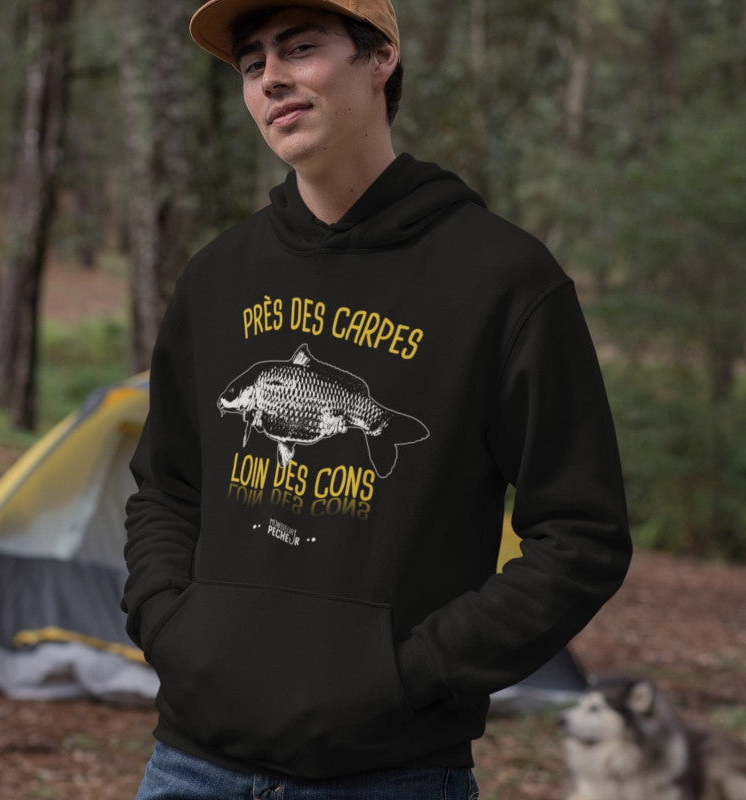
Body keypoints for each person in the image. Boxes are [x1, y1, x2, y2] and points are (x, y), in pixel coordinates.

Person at [122, 0, 632, 797]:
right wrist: (169, 625)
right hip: (191, 765)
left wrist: (411, 674)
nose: (273, 80)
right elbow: (168, 486)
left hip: (389, 775)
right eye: (253, 63)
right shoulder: (218, 277)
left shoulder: (502, 281)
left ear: (381, 56)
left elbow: (582, 536)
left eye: (300, 48)